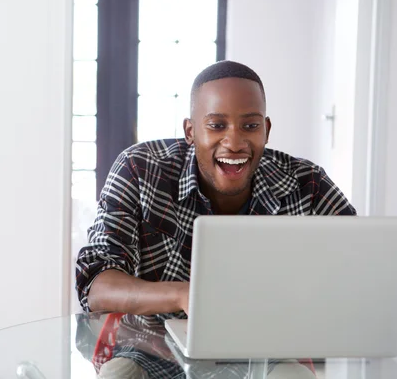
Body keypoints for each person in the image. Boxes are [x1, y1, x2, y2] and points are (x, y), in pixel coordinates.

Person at [75, 60, 356, 318]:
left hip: (268, 348)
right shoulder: (139, 169)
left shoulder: (307, 183)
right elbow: (97, 283)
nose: (234, 142)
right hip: (149, 346)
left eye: (250, 125)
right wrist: (185, 295)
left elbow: (362, 267)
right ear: (191, 131)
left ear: (266, 131)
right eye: (217, 125)